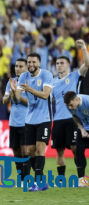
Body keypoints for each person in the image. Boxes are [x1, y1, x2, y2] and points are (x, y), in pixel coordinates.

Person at [13, 53, 53, 191]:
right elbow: (18, 98)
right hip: (29, 119)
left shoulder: (46, 75)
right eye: (29, 62)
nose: (30, 64)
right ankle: (41, 181)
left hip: (44, 118)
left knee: (40, 149)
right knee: (30, 151)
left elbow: (45, 95)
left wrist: (29, 89)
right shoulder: (23, 76)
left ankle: (36, 183)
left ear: (39, 63)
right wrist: (14, 93)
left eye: (33, 62)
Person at [52, 39, 89, 181]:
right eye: (57, 63)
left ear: (68, 64)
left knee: (75, 149)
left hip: (73, 118)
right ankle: (61, 180)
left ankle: (81, 178)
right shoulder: (52, 82)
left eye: (61, 63)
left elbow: (87, 64)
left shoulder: (74, 76)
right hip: (58, 119)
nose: (59, 65)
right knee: (59, 151)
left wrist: (84, 48)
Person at [2, 58, 28, 187]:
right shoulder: (11, 83)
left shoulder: (29, 83)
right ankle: (21, 178)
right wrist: (11, 94)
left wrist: (16, 95)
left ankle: (28, 178)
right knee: (16, 151)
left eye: (20, 66)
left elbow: (30, 102)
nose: (17, 68)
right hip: (13, 122)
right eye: (16, 66)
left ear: (26, 68)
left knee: (25, 151)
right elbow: (4, 101)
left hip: (26, 121)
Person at [64, 91, 89, 187]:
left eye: (71, 105)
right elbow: (75, 117)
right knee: (78, 150)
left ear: (77, 99)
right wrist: (82, 129)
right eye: (68, 106)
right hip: (84, 128)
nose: (70, 107)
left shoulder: (87, 101)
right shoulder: (69, 105)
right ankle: (82, 180)